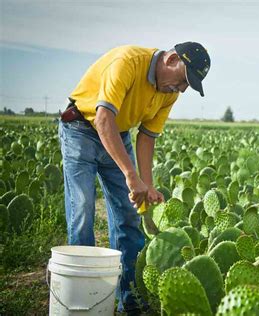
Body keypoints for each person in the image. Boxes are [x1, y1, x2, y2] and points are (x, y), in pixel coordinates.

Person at [58, 42, 211, 313]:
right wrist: (131, 176)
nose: (183, 89)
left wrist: (147, 185)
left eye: (189, 85)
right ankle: (82, 302)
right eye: (184, 80)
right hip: (82, 128)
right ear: (172, 59)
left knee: (130, 215)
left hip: (119, 134)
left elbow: (147, 137)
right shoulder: (128, 63)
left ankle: (132, 301)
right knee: (82, 211)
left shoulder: (169, 92)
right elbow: (103, 118)